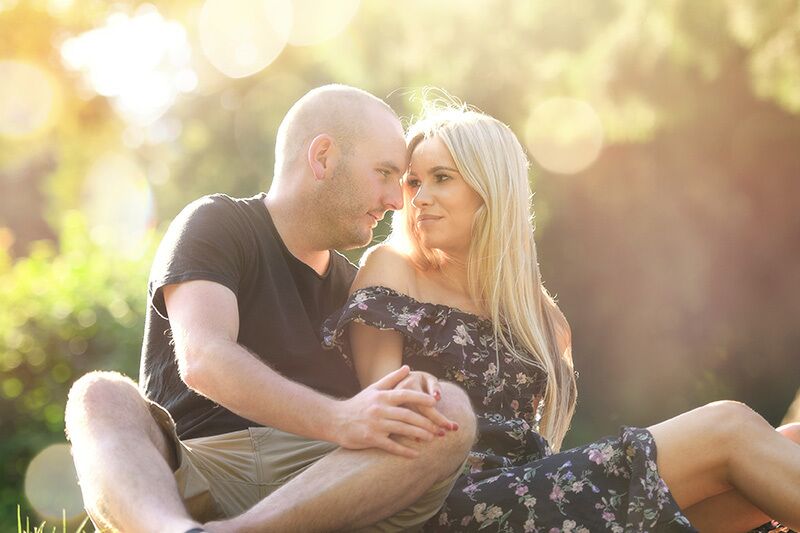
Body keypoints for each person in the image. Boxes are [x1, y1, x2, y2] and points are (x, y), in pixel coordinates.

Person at [321, 102, 800, 532]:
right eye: (413, 182)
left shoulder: (539, 315)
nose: (418, 197)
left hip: (534, 495)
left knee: (787, 445)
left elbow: (539, 443)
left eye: (441, 178)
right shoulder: (393, 269)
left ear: (491, 187)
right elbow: (380, 414)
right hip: (449, 502)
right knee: (729, 427)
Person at [64, 85, 477, 533]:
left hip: (320, 485)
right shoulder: (218, 223)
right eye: (383, 173)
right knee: (98, 394)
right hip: (199, 469)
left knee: (449, 410)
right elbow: (203, 359)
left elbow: (387, 401)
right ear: (322, 157)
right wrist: (340, 418)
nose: (397, 201)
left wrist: (404, 392)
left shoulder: (361, 285)